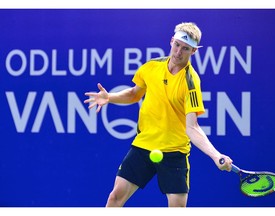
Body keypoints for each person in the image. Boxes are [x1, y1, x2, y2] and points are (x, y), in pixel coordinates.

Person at [84, 22, 233, 207]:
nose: (178, 52)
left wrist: (215, 155)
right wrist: (110, 97)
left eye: (185, 48)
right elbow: (134, 94)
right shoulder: (151, 67)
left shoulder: (191, 83)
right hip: (144, 144)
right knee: (115, 197)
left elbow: (192, 127)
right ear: (171, 41)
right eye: (177, 45)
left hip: (174, 151)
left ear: (193, 51)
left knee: (177, 208)